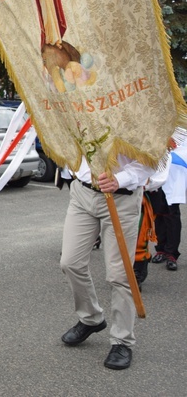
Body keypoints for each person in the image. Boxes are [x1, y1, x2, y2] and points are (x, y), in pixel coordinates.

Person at [59, 156, 153, 370]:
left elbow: (152, 159)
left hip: (121, 197)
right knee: (70, 262)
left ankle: (122, 340)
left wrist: (121, 179)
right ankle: (91, 318)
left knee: (120, 275)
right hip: (83, 193)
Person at [150, 146, 187, 271]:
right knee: (159, 213)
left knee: (172, 215)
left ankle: (171, 253)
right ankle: (160, 249)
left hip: (175, 174)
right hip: (158, 174)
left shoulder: (181, 132)